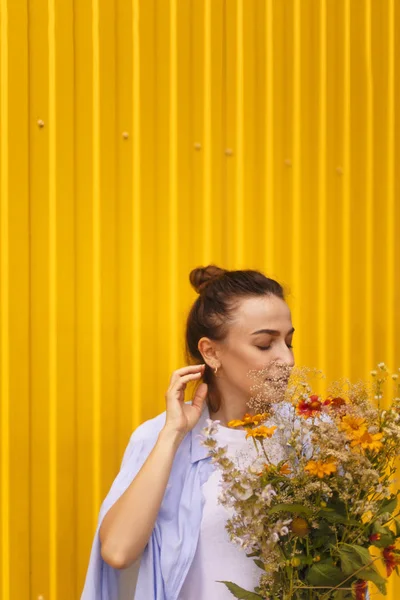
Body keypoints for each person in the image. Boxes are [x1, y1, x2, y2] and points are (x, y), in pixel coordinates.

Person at [81, 265, 295, 599]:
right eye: (266, 344)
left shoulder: (307, 438)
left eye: (289, 341)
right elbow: (118, 552)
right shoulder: (162, 436)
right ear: (211, 352)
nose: (287, 359)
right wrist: (172, 436)